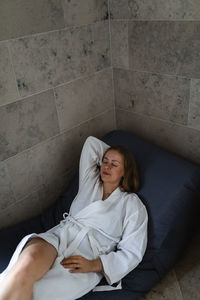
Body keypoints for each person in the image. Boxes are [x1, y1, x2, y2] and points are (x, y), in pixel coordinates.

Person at [0, 136, 148, 300]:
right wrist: (112, 156)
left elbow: (132, 252)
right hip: (59, 237)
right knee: (23, 269)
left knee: (38, 292)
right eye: (104, 161)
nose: (106, 166)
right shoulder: (90, 181)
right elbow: (91, 143)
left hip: (86, 258)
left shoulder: (132, 204)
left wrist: (94, 265)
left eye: (114, 164)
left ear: (125, 172)